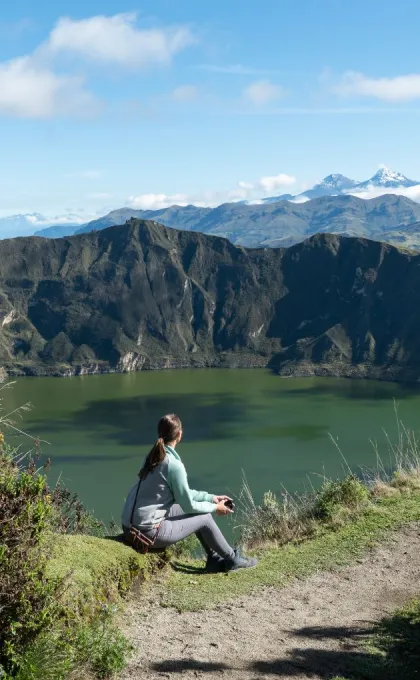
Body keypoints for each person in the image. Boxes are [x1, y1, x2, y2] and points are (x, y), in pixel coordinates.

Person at [121, 413, 257, 572]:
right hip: (146, 534)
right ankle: (232, 559)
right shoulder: (173, 465)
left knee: (200, 508)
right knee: (204, 517)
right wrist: (216, 508)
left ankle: (213, 558)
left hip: (129, 527)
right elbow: (188, 505)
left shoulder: (152, 457)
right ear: (179, 435)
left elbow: (183, 493)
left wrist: (211, 498)